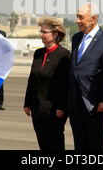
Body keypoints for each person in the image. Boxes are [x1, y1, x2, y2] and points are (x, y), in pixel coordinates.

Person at [67, 2, 103, 150]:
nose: (77, 21)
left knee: (95, 143)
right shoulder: (76, 38)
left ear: (93, 18)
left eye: (81, 17)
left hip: (93, 102)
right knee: (79, 143)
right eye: (77, 17)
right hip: (75, 101)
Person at [23, 16, 70, 150]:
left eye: (45, 32)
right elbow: (32, 79)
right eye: (41, 32)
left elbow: (64, 85)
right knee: (42, 143)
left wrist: (61, 107)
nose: (41, 35)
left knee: (54, 143)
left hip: (53, 110)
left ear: (55, 34)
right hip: (37, 108)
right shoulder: (38, 53)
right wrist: (27, 103)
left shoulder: (64, 55)